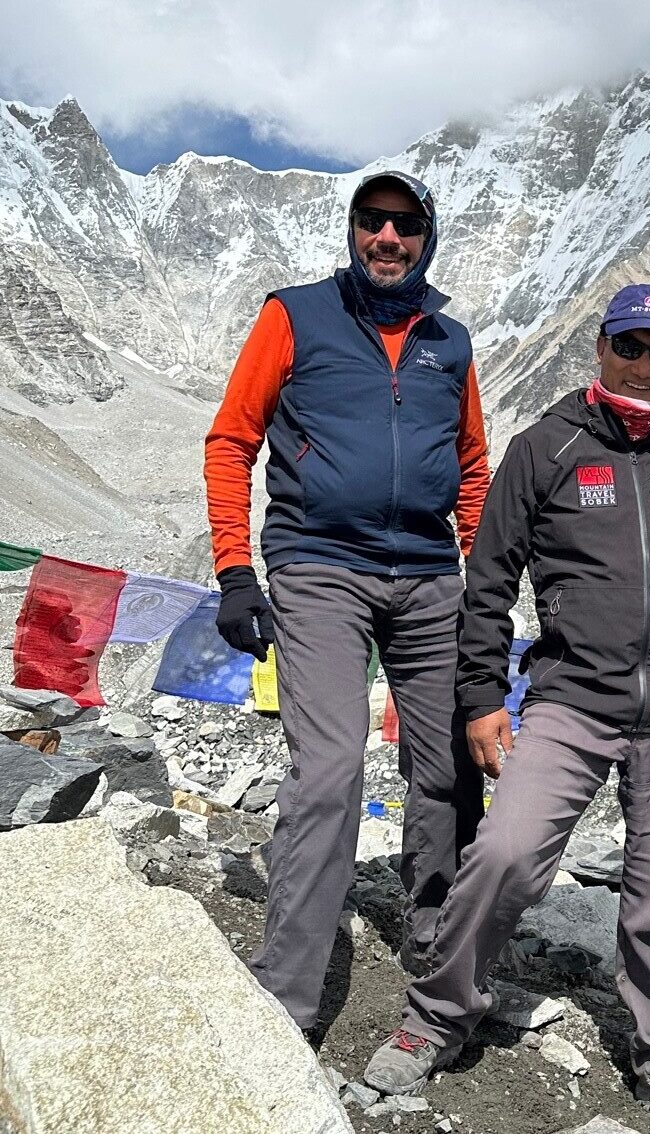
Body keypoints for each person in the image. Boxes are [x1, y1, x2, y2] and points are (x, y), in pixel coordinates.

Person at [363, 283, 650, 1133]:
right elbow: (490, 581)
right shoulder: (545, 448)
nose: (646, 366)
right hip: (573, 696)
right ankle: (436, 1014)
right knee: (506, 852)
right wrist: (479, 698)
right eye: (631, 346)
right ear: (601, 347)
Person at [203, 169, 489, 1035]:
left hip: (432, 574)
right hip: (318, 567)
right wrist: (233, 571)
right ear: (354, 230)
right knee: (330, 772)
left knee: (446, 770)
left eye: (405, 225)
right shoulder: (294, 314)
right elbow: (230, 441)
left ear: (427, 237)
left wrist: (486, 575)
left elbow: (472, 469)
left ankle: (436, 941)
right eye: (373, 221)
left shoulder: (452, 341)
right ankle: (285, 999)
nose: (388, 238)